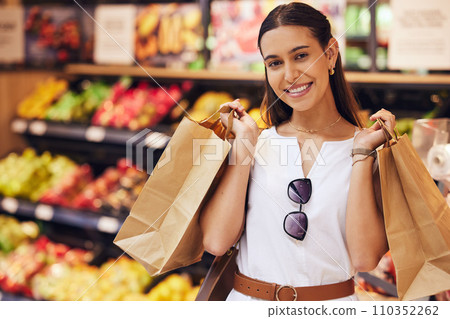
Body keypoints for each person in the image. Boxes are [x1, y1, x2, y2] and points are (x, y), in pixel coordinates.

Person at [199, 2, 396, 301]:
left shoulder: (369, 148)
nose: (289, 74)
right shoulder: (254, 143)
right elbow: (215, 241)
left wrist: (361, 155)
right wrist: (245, 146)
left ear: (330, 53)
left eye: (301, 56)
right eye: (275, 63)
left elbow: (365, 258)